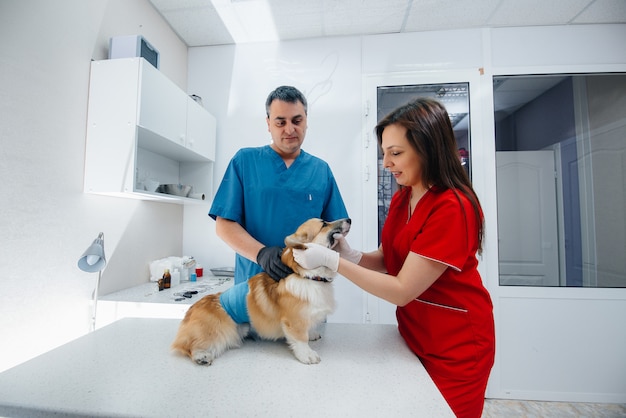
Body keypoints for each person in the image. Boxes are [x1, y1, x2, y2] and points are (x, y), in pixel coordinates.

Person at [294, 98, 495, 418]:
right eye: (384, 152)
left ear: (428, 149)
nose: (386, 163)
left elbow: (402, 288)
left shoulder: (452, 207)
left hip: (456, 347)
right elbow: (391, 259)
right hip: (414, 336)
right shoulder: (405, 196)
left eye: (396, 153)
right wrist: (353, 255)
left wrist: (334, 263)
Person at [209, 85, 349, 285]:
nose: (290, 129)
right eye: (280, 122)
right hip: (255, 289)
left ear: (306, 121)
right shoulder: (245, 162)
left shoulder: (321, 170)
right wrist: (260, 253)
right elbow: (224, 225)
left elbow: (335, 229)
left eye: (297, 121)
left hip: (307, 291)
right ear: (268, 123)